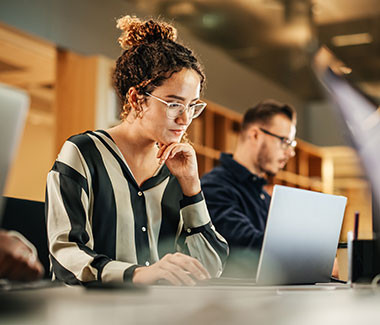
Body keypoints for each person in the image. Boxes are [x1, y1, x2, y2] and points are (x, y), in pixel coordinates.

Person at [45, 16, 228, 286]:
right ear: (136, 98)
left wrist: (191, 186)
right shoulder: (83, 153)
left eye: (192, 106)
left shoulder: (176, 169)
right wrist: (137, 274)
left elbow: (211, 268)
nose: (185, 119)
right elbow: (66, 257)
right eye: (174, 104)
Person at [201, 99, 297, 277]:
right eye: (284, 141)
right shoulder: (214, 187)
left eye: (292, 145)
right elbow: (246, 245)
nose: (290, 152)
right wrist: (307, 255)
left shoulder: (264, 197)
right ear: (255, 135)